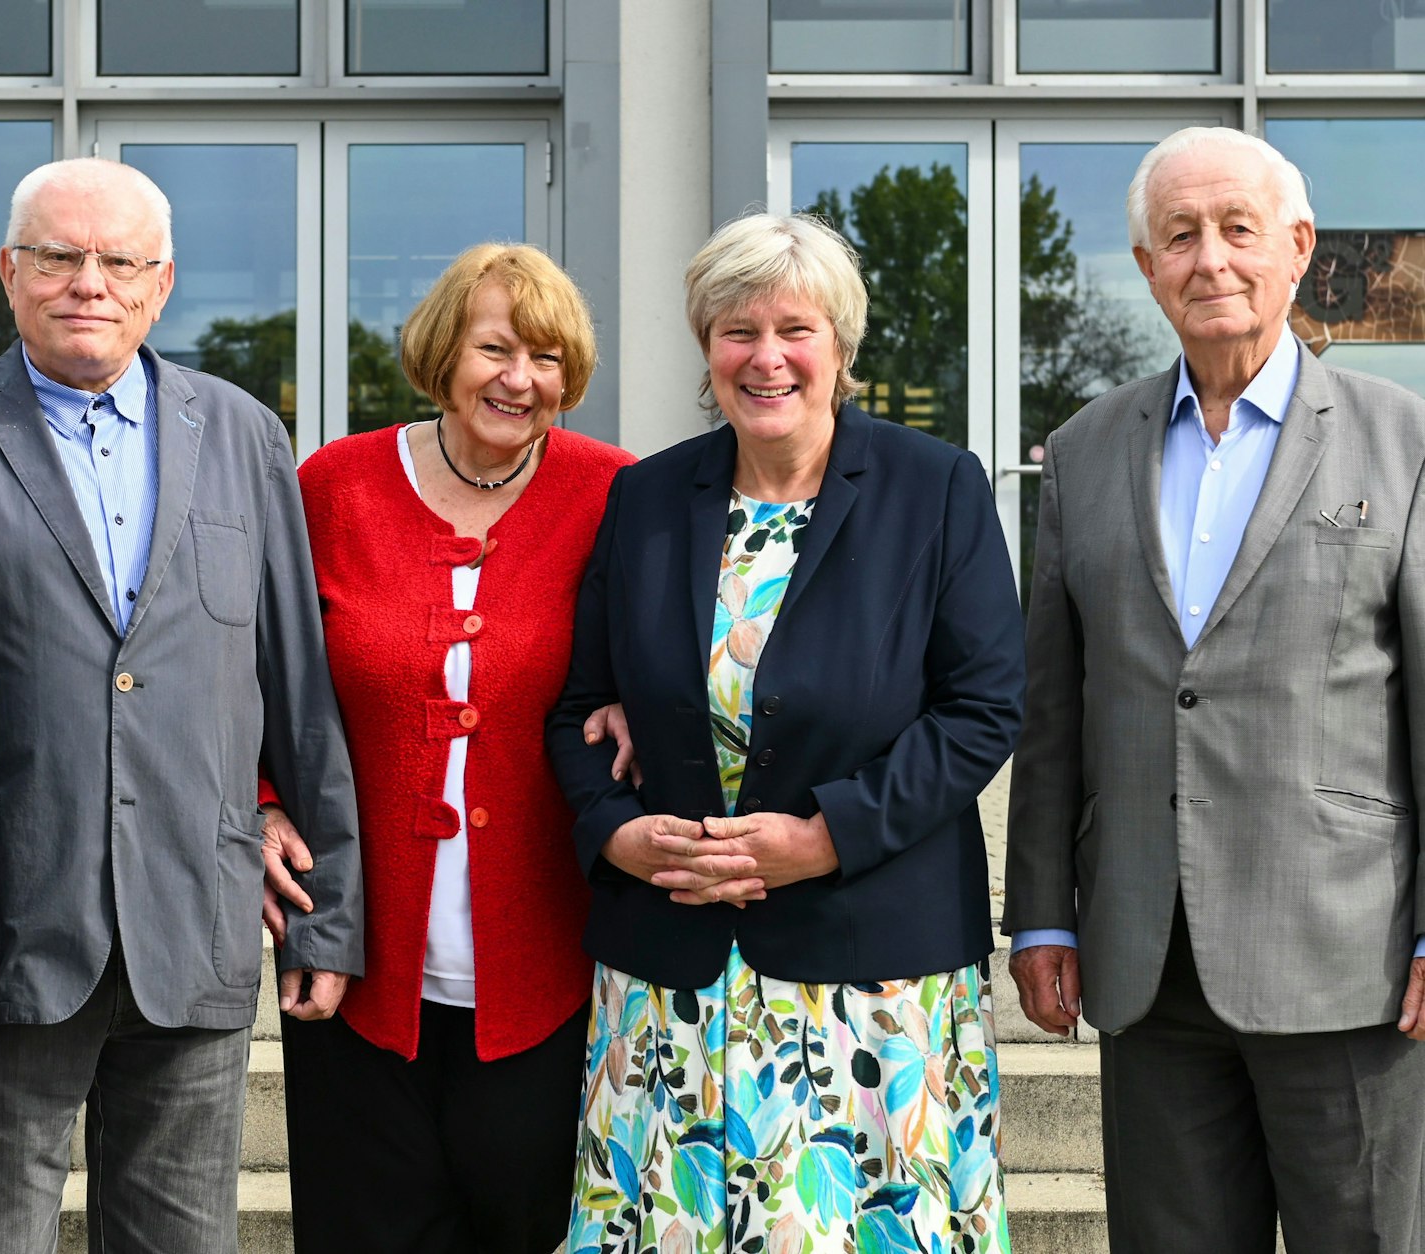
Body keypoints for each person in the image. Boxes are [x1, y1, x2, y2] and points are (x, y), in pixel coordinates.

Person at [0, 156, 361, 1254]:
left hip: (198, 918)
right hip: (7, 932)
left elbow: (297, 690)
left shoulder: (243, 435)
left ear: (162, 281)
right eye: (58, 255)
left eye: (118, 260)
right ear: (10, 271)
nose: (88, 281)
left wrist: (330, 905)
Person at [545, 212, 1024, 1251]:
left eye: (793, 329)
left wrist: (823, 835)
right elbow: (579, 707)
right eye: (735, 330)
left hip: (872, 980)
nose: (765, 357)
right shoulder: (645, 496)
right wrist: (615, 832)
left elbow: (981, 710)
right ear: (704, 347)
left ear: (839, 347)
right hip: (668, 983)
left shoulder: (933, 488)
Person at [1004, 126, 1425, 1251]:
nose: (1210, 260)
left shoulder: (1403, 442)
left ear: (1296, 248)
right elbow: (1054, 710)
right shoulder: (1085, 451)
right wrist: (1041, 909)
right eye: (1177, 236)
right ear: (1144, 268)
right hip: (1146, 959)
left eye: (1237, 230)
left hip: (1348, 958)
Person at [254, 243, 631, 1252]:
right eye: (495, 348)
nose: (520, 378)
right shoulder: (333, 487)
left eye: (547, 358)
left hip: (553, 970)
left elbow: (670, 650)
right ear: (440, 355)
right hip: (355, 972)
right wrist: (259, 803)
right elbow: (249, 666)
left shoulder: (615, 494)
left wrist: (647, 701)